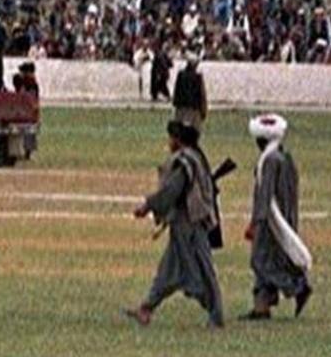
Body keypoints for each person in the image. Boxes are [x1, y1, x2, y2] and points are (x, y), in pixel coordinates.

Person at [127, 120, 224, 329]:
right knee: (167, 270)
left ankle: (216, 314)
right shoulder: (195, 158)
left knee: (200, 271)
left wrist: (148, 206)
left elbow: (171, 191)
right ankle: (146, 308)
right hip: (183, 225)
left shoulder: (184, 162)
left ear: (178, 140)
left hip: (190, 226)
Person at [242, 114, 313, 320]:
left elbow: (265, 195)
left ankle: (298, 287)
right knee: (271, 260)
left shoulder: (270, 161)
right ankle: (261, 307)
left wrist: (256, 222)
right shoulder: (284, 157)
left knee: (261, 261)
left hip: (271, 221)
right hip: (284, 216)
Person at [172, 51, 207, 131]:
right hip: (194, 108)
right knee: (194, 130)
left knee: (180, 130)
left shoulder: (181, 75)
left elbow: (176, 92)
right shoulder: (197, 77)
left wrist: (176, 105)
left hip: (181, 107)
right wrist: (203, 108)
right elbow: (201, 94)